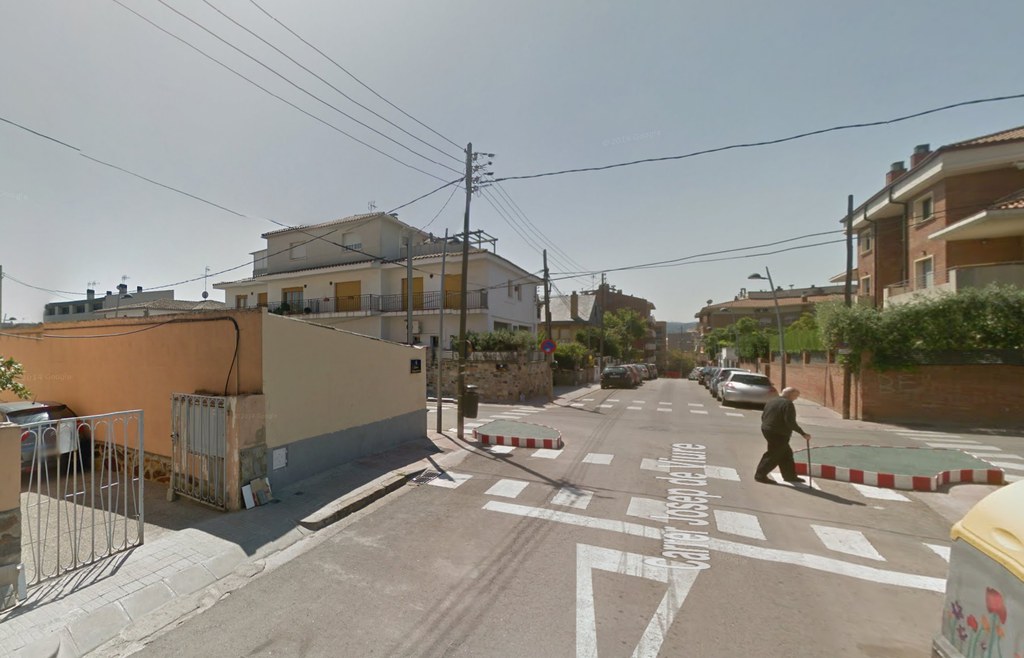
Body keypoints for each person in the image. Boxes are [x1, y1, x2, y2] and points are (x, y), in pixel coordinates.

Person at [754, 387, 811, 484]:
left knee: (786, 453)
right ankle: (760, 475)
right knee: (774, 454)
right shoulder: (788, 404)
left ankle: (789, 476)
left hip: (767, 429)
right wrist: (803, 433)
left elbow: (764, 416)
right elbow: (790, 422)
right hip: (779, 433)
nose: (796, 398)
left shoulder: (772, 401)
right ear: (790, 394)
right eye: (795, 396)